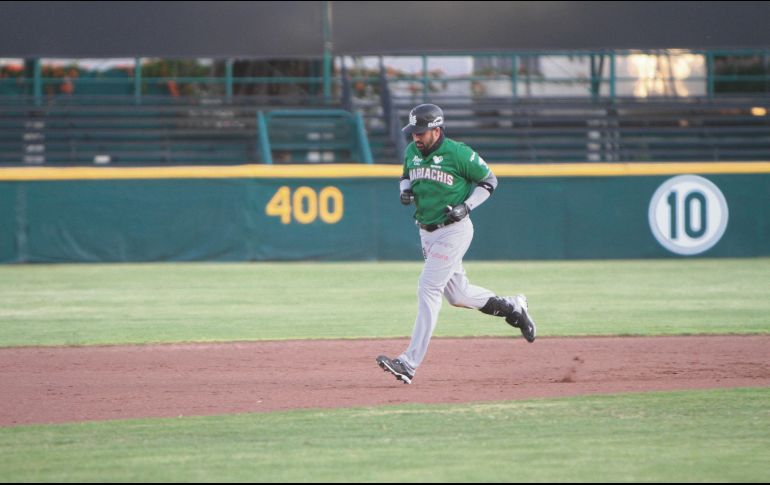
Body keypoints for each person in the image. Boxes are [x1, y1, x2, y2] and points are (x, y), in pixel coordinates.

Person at [377, 103, 536, 385]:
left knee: (428, 287)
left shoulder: (458, 153)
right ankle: (513, 307)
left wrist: (467, 206)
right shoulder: (412, 151)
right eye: (413, 131)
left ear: (436, 130)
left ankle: (409, 362)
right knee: (458, 295)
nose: (416, 137)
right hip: (426, 232)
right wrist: (405, 191)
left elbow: (489, 181)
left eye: (421, 132)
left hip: (454, 231)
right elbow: (405, 176)